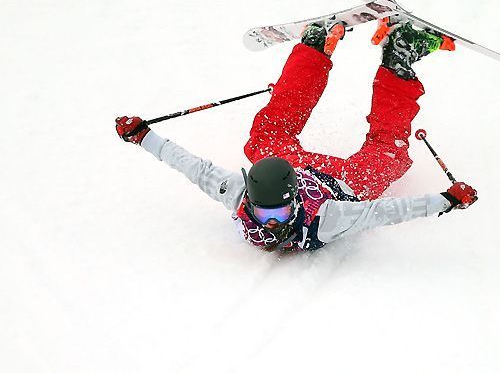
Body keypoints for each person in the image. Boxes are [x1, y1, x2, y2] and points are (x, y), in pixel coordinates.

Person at [115, 18, 477, 252]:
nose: (272, 221)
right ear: (250, 200)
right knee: (263, 140)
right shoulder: (240, 196)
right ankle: (372, 57)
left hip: (345, 184)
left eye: (281, 210)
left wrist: (444, 202)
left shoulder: (330, 219)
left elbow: (387, 211)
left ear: (294, 202)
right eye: (265, 211)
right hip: (298, 167)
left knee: (389, 154)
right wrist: (143, 136)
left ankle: (329, 51)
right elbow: (196, 169)